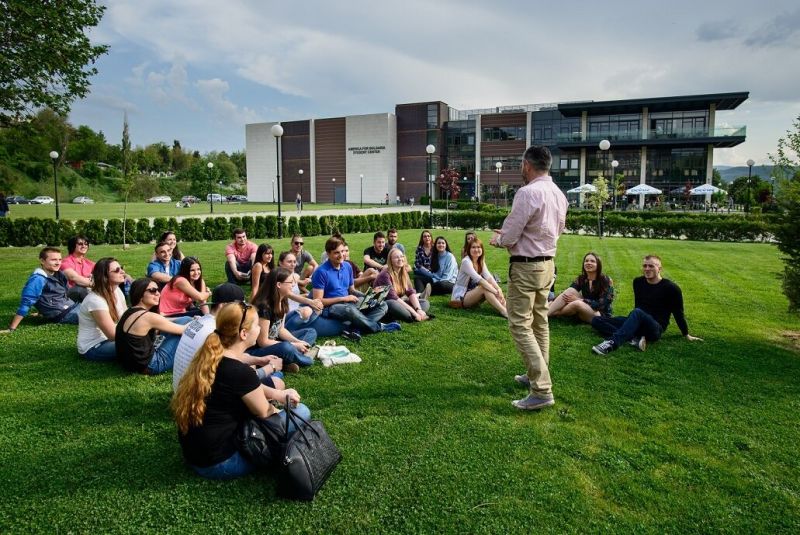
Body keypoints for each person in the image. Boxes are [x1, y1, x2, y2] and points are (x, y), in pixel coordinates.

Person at [171, 302, 311, 480]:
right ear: (244, 333)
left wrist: (277, 395)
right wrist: (280, 408)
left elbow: (245, 386)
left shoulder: (210, 356)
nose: (260, 327)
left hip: (195, 455)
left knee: (272, 396)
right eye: (256, 325)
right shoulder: (239, 371)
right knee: (302, 412)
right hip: (220, 463)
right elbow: (265, 413)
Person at [490, 145, 568, 411]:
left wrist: (499, 239)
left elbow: (510, 237)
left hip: (526, 267)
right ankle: (536, 374)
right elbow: (556, 230)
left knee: (520, 325)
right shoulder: (559, 194)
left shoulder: (527, 193)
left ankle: (542, 389)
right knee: (539, 322)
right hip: (547, 265)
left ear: (526, 165)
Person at [172, 283, 291, 391]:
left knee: (257, 366)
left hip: (182, 390)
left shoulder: (203, 321)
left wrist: (259, 360)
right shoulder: (217, 331)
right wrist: (270, 368)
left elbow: (230, 360)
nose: (243, 312)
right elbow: (232, 370)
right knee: (277, 382)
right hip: (202, 395)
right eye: (240, 307)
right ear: (224, 306)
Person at [591, 255, 703, 355]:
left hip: (655, 328)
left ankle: (611, 343)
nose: (647, 269)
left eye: (651, 266)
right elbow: (639, 304)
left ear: (659, 269)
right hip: (638, 320)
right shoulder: (638, 282)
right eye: (645, 266)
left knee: (637, 312)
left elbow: (678, 313)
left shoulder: (671, 288)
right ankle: (634, 339)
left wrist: (686, 334)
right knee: (597, 320)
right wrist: (632, 322)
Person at [312, 236, 401, 336]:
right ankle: (378, 326)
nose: (341, 255)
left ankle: (356, 329)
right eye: (336, 252)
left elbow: (352, 290)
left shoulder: (347, 266)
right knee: (349, 310)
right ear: (328, 254)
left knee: (382, 304)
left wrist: (369, 296)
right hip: (331, 308)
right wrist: (344, 298)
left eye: (342, 251)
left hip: (349, 302)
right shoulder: (321, 272)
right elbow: (318, 301)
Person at [115, 278, 192, 374]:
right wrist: (197, 321)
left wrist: (186, 318)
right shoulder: (148, 317)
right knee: (186, 324)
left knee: (184, 319)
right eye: (152, 291)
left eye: (158, 290)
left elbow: (161, 321)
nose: (158, 294)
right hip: (152, 365)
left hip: (129, 364)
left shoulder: (131, 311)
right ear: (140, 294)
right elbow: (184, 330)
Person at [248, 268, 318, 368]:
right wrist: (293, 345)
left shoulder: (283, 300)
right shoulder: (264, 307)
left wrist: (296, 342)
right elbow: (263, 342)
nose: (293, 285)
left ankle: (287, 359)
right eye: (290, 282)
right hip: (258, 350)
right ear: (279, 285)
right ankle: (305, 359)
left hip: (275, 341)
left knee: (310, 332)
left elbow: (281, 329)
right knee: (286, 347)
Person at [6, 247, 79, 332]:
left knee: (96, 306)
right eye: (53, 260)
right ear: (42, 261)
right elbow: (27, 302)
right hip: (63, 314)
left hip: (73, 306)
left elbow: (52, 295)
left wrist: (41, 311)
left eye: (60, 259)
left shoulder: (59, 274)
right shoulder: (38, 279)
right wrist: (12, 328)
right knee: (96, 315)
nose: (58, 263)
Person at [278, 251, 343, 337]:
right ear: (280, 263)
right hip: (289, 316)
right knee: (310, 310)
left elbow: (293, 296)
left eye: (294, 262)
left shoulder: (295, 276)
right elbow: (289, 295)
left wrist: (307, 296)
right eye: (289, 262)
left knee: (314, 296)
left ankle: (318, 314)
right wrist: (310, 302)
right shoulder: (277, 277)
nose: (293, 264)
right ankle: (291, 330)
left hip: (298, 308)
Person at [77, 258, 127, 361]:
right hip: (94, 346)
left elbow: (126, 317)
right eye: (117, 270)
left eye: (121, 268)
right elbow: (113, 335)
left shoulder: (116, 290)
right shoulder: (95, 300)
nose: (122, 272)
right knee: (137, 345)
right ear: (104, 276)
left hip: (111, 339)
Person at [549, 252, 614, 323]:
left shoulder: (606, 280)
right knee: (570, 291)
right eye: (586, 261)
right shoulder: (582, 278)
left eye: (592, 261)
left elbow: (602, 305)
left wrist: (581, 300)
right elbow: (567, 293)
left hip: (600, 314)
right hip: (585, 308)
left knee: (577, 303)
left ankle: (553, 313)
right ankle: (546, 313)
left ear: (598, 265)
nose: (588, 263)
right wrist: (553, 301)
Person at [451, 237, 507, 317]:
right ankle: (503, 311)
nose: (476, 249)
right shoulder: (466, 261)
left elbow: (489, 277)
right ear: (469, 250)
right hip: (460, 297)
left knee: (489, 287)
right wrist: (496, 292)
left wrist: (499, 289)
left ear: (482, 249)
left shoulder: (480, 261)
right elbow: (479, 280)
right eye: (473, 247)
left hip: (473, 293)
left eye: (478, 247)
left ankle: (506, 308)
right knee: (484, 287)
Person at [374, 248, 429, 322]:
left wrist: (418, 309)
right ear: (390, 261)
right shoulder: (385, 275)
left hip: (399, 302)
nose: (400, 259)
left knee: (425, 303)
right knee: (392, 303)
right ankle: (411, 315)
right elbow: (394, 298)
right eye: (396, 257)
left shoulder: (403, 272)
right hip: (384, 305)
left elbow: (410, 292)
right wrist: (415, 313)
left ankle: (409, 314)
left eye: (401, 256)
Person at [60, 235, 95, 302]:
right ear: (72, 246)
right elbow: (75, 278)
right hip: (70, 294)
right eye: (80, 244)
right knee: (79, 289)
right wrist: (98, 285)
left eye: (86, 244)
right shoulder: (66, 262)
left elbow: (102, 270)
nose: (84, 246)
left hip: (87, 291)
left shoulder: (88, 263)